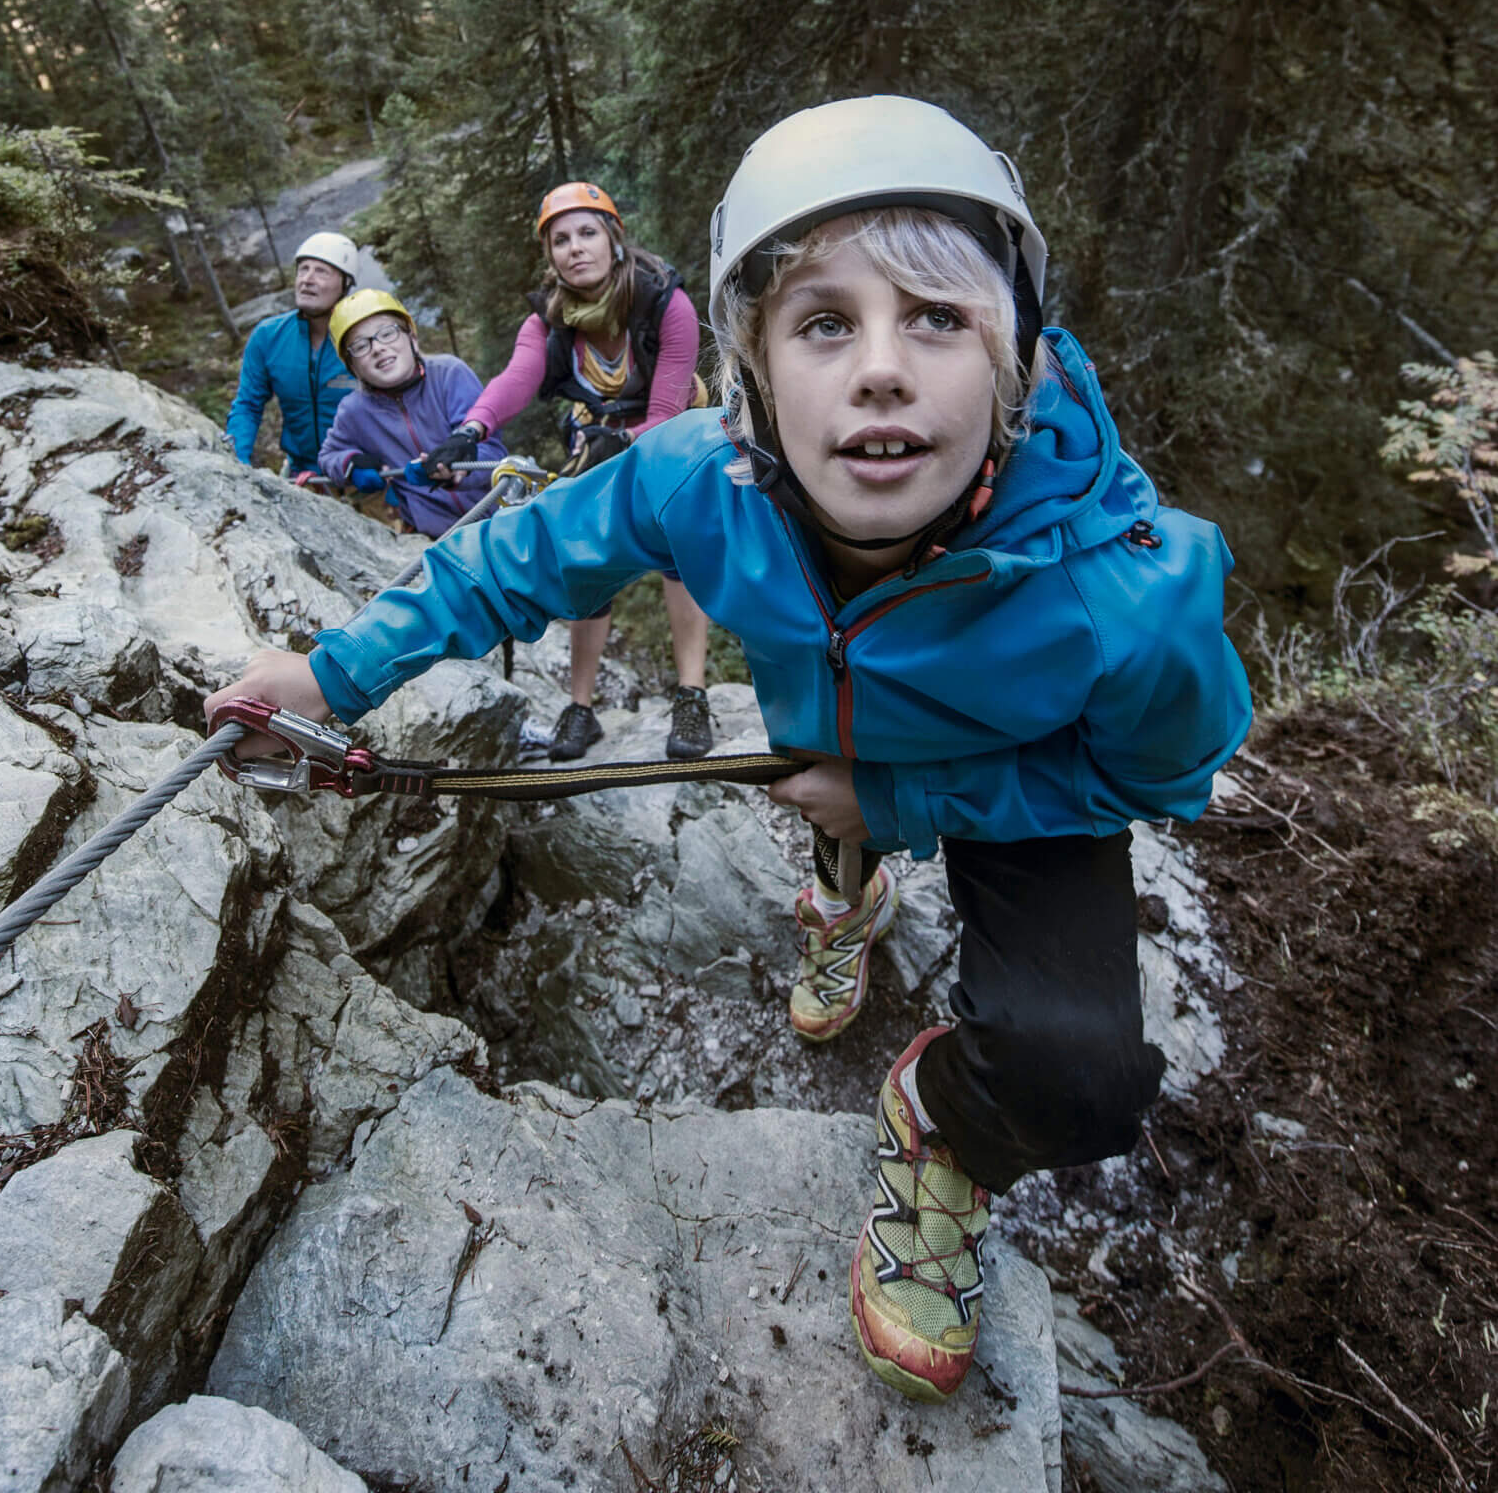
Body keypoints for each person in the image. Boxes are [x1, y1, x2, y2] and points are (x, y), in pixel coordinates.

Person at [206, 97, 1249, 1407]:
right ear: (749, 367)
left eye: (937, 317)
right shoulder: (702, 483)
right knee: (830, 818)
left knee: (1082, 1082)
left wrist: (906, 789)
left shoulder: (1129, 595)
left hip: (1027, 785)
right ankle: (841, 890)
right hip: (825, 743)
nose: (880, 369)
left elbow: (1159, 777)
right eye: (825, 322)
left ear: (1020, 363)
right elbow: (508, 561)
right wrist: (326, 674)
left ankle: (943, 1127)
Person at [416, 181, 715, 763]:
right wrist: (469, 432)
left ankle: (693, 693)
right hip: (599, 437)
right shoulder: (551, 321)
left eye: (587, 233)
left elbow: (667, 410)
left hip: (673, 434)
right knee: (584, 563)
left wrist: (621, 440)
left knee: (679, 555)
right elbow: (515, 381)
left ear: (614, 240)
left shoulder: (664, 304)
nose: (575, 248)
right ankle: (581, 707)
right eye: (560, 239)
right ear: (550, 255)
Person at [319, 288, 509, 538]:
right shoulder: (354, 410)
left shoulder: (449, 374)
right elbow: (328, 456)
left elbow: (492, 450)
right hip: (437, 536)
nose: (377, 348)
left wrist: (458, 471)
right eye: (360, 346)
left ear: (412, 338)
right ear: (353, 367)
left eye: (387, 333)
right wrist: (351, 464)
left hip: (500, 513)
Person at [225, 231, 360, 478]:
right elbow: (248, 404)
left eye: (321, 271)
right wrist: (237, 459)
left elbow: (398, 405)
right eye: (303, 269)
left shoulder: (364, 338)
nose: (307, 279)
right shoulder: (268, 336)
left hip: (362, 472)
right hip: (303, 475)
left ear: (345, 284)